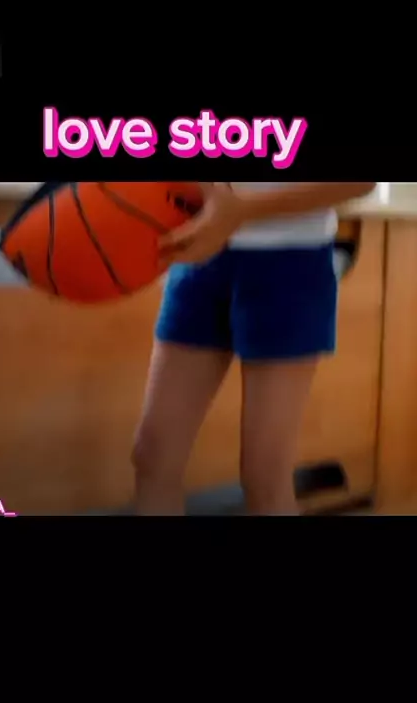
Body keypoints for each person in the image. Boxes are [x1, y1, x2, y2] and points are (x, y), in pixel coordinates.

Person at [132, 182, 376, 515]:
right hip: (200, 253)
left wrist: (242, 210)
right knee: (153, 456)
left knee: (265, 479)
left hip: (289, 263)